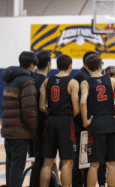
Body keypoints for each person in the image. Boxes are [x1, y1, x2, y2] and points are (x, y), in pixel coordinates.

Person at [80, 54, 115, 187]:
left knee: (94, 165)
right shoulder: (111, 81)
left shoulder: (85, 83)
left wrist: (85, 121)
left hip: (96, 125)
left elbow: (82, 102)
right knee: (111, 164)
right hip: (111, 124)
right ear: (101, 66)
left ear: (87, 67)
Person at [39, 54, 80, 187]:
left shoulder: (47, 81)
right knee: (67, 162)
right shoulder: (72, 82)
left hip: (50, 121)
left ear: (56, 66)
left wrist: (52, 112)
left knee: (48, 162)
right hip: (65, 121)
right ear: (70, 66)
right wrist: (68, 114)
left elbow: (41, 106)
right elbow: (76, 108)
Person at [1, 51, 38, 187]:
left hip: (8, 130)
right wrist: (33, 130)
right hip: (20, 132)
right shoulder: (27, 81)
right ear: (31, 64)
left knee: (10, 165)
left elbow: (3, 105)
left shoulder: (9, 79)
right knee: (17, 167)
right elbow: (29, 110)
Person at [29, 51, 61, 187]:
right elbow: (46, 106)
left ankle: (54, 183)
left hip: (30, 125)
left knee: (38, 159)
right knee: (44, 159)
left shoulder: (30, 79)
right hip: (43, 125)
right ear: (48, 64)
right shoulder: (46, 82)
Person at [72, 51, 98, 187]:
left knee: (85, 156)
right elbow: (83, 102)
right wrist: (85, 121)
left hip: (86, 122)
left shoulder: (85, 75)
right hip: (82, 123)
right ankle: (77, 184)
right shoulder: (81, 76)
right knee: (80, 157)